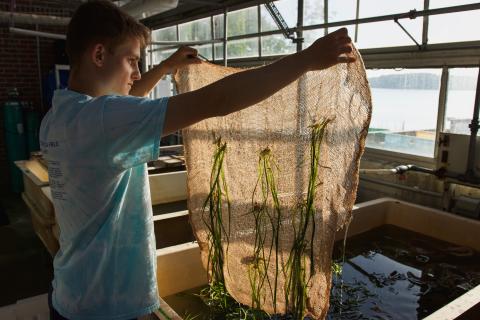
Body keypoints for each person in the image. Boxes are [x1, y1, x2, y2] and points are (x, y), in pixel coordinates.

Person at [40, 1, 355, 319]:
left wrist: (165, 67)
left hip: (71, 292)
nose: (136, 73)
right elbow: (217, 100)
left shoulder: (60, 116)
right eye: (132, 61)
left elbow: (126, 104)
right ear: (98, 55)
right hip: (105, 306)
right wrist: (306, 59)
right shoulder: (104, 120)